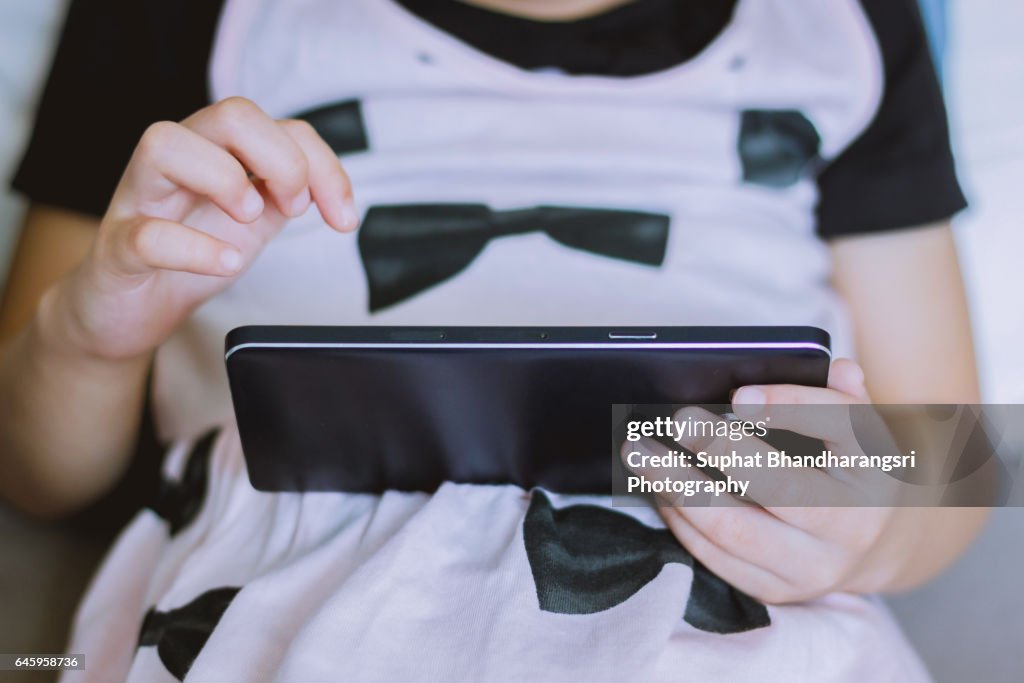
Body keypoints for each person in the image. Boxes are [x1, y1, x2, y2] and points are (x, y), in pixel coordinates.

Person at [0, 0, 984, 680]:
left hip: (723, 585)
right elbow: (36, 473)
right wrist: (91, 339)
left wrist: (872, 523)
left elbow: (951, 458)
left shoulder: (840, 29)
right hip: (273, 584)